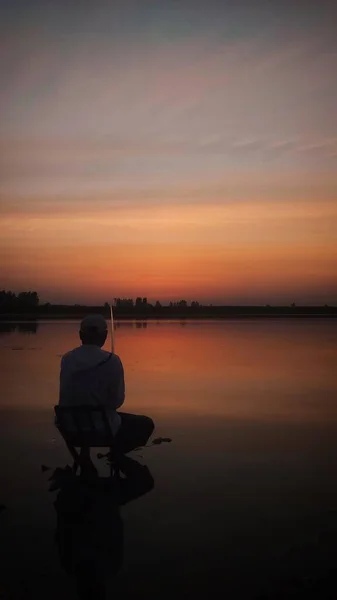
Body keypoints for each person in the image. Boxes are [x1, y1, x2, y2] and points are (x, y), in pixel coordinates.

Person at [58, 314, 154, 467]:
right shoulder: (113, 360)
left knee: (88, 411)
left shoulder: (67, 359)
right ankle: (116, 456)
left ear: (80, 335)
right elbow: (117, 401)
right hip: (103, 429)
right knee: (145, 423)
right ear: (104, 336)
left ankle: (84, 456)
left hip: (71, 428)